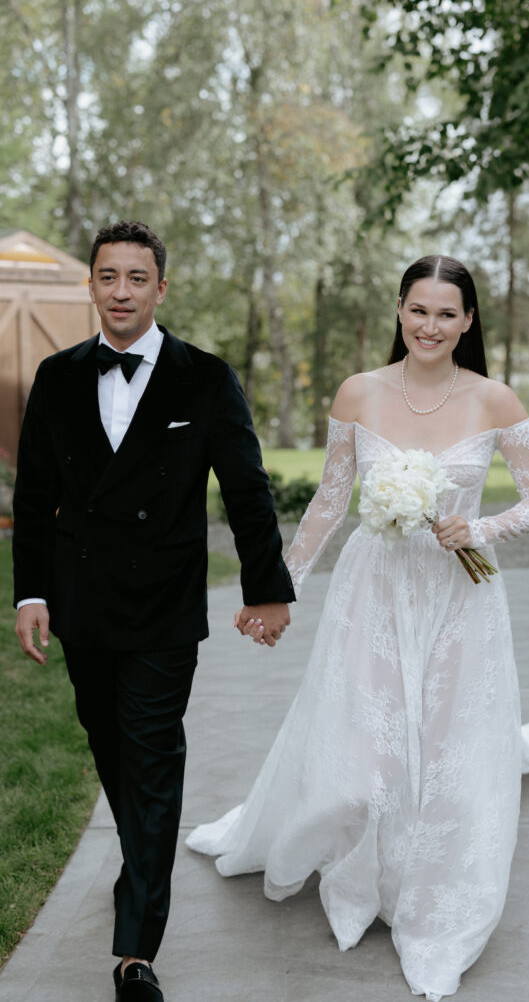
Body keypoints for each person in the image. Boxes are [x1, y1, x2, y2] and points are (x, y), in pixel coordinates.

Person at [187, 255, 529, 1001]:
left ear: (468, 321)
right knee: (364, 755)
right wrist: (278, 589)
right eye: (417, 310)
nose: (430, 325)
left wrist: (479, 526)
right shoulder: (359, 392)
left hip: (457, 596)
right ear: (398, 311)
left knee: (447, 751)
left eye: (446, 313)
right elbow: (328, 503)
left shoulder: (494, 398)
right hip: (371, 595)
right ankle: (359, 877)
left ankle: (434, 901)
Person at [12, 220, 294, 1001]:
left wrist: (265, 589)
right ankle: (140, 879)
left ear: (160, 289)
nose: (122, 291)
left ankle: (135, 950)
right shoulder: (57, 377)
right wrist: (30, 593)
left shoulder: (204, 378)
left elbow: (246, 490)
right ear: (91, 286)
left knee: (151, 758)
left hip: (164, 607)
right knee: (113, 752)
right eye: (109, 277)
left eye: (138, 278)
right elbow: (34, 501)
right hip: (82, 604)